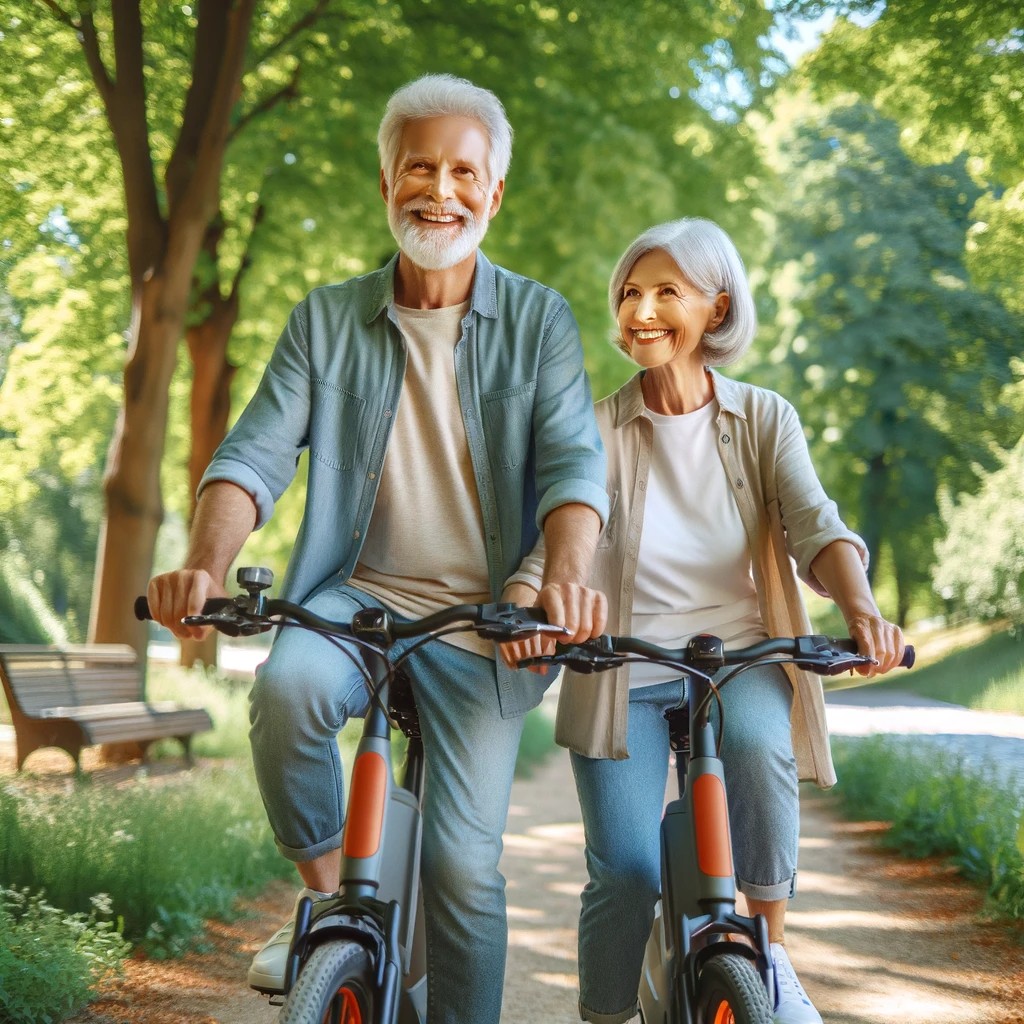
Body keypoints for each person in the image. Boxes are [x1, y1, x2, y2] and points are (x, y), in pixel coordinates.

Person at [147, 74, 609, 1024]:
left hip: (487, 620)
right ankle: (327, 901)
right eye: (418, 167)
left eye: (463, 171)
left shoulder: (540, 320)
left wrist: (560, 581)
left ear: (494, 193)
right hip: (355, 593)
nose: (440, 188)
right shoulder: (326, 318)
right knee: (286, 692)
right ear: (387, 183)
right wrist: (204, 559)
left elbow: (573, 468)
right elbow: (254, 456)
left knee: (461, 869)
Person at [501, 217, 906, 1024]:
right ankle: (607, 1015)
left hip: (738, 658)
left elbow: (816, 527)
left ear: (716, 309)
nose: (639, 309)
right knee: (625, 871)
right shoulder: (597, 425)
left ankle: (771, 953)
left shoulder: (764, 418)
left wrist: (862, 609)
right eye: (628, 293)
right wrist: (523, 602)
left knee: (759, 744)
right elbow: (560, 535)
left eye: (665, 292)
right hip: (621, 669)